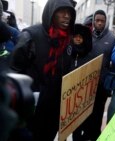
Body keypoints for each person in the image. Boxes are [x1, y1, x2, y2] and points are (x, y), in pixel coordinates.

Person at [9, 0, 76, 140]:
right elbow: (13, 73)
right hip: (31, 109)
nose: (67, 16)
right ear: (51, 13)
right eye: (62, 11)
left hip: (53, 109)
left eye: (69, 12)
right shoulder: (30, 36)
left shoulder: (68, 40)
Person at [72, 9, 115, 141]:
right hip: (84, 84)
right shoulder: (86, 35)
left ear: (106, 22)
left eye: (102, 21)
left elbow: (113, 62)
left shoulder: (112, 38)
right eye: (97, 20)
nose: (99, 23)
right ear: (93, 21)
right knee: (80, 117)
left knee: (96, 117)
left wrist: (108, 82)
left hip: (100, 86)